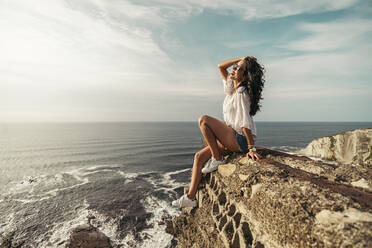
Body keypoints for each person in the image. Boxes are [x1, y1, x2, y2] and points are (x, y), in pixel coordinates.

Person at [172, 56, 265, 208]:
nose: (234, 69)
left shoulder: (241, 93)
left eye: (239, 68)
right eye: (235, 66)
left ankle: (217, 158)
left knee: (204, 120)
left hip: (239, 139)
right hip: (231, 137)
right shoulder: (231, 89)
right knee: (199, 157)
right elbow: (221, 67)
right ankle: (190, 197)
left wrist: (251, 148)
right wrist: (241, 59)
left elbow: (245, 123)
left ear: (245, 74)